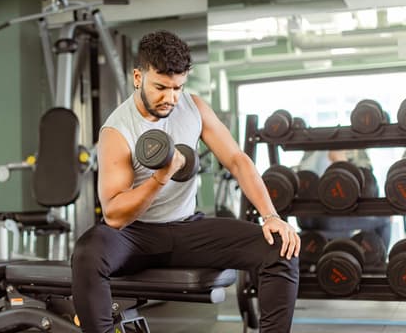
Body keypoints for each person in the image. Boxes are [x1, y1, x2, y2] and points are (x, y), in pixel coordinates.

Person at [71, 30, 300, 333]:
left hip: (187, 228)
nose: (171, 98)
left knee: (281, 246)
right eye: (161, 87)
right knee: (88, 253)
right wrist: (161, 176)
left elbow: (237, 160)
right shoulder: (117, 129)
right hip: (134, 236)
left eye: (178, 87)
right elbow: (114, 214)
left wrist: (270, 216)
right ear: (138, 78)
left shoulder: (193, 108)